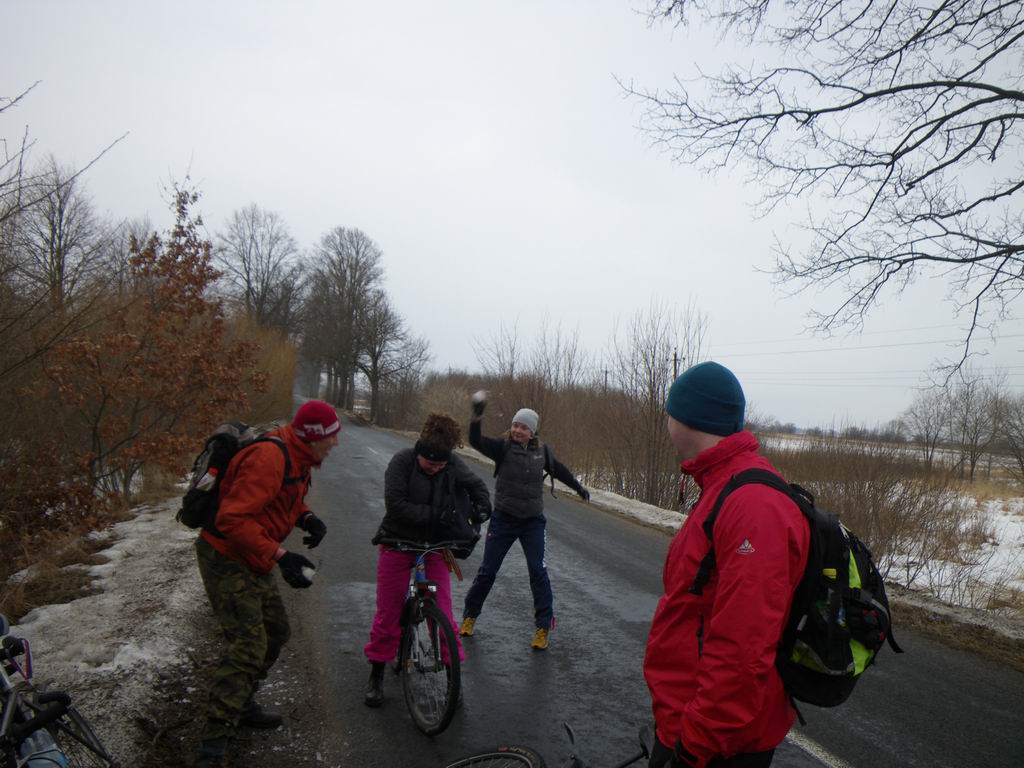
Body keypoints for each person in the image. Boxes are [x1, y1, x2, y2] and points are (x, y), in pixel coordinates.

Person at [644, 362, 810, 768]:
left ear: (688, 419)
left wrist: (696, 744)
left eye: (670, 411)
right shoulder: (722, 484)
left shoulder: (752, 504)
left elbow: (743, 645)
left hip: (717, 742)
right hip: (690, 720)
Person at [194, 400, 339, 768]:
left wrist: (307, 518)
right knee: (249, 646)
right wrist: (281, 555)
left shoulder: (299, 456)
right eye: (332, 436)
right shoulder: (270, 458)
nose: (336, 443)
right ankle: (212, 745)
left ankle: (240, 704)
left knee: (276, 631)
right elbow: (231, 519)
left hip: (251, 555)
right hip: (225, 556)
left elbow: (282, 499)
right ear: (314, 437)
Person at [363, 413, 491, 707]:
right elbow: (396, 506)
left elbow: (477, 486)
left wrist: (483, 507)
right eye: (429, 464)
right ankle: (376, 673)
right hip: (397, 543)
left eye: (440, 465)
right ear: (419, 452)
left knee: (442, 612)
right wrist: (439, 515)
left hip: (435, 547)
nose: (435, 469)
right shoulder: (402, 462)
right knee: (388, 613)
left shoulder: (452, 463)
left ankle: (453, 678)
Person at [459, 394, 590, 651]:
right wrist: (476, 417)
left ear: (532, 432)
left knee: (538, 571)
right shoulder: (502, 447)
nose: (518, 430)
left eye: (524, 427)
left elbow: (560, 470)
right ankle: (469, 616)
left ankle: (543, 627)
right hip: (504, 520)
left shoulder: (542, 452)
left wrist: (578, 488)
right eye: (515, 425)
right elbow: (475, 440)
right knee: (488, 571)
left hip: (532, 522)